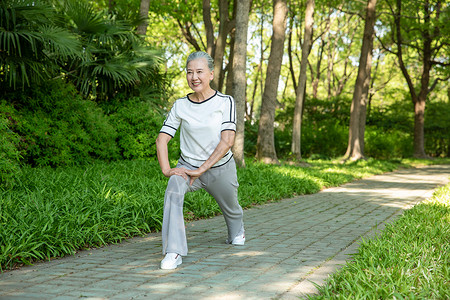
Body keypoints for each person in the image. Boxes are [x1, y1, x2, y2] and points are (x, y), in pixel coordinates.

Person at [155, 51, 245, 270]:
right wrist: (168, 170)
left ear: (211, 74)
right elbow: (161, 139)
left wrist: (203, 169)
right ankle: (174, 251)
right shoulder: (180, 105)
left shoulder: (225, 102)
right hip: (186, 167)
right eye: (189, 72)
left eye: (199, 72)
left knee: (231, 208)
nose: (194, 77)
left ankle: (237, 231)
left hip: (220, 167)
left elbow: (227, 141)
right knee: (173, 189)